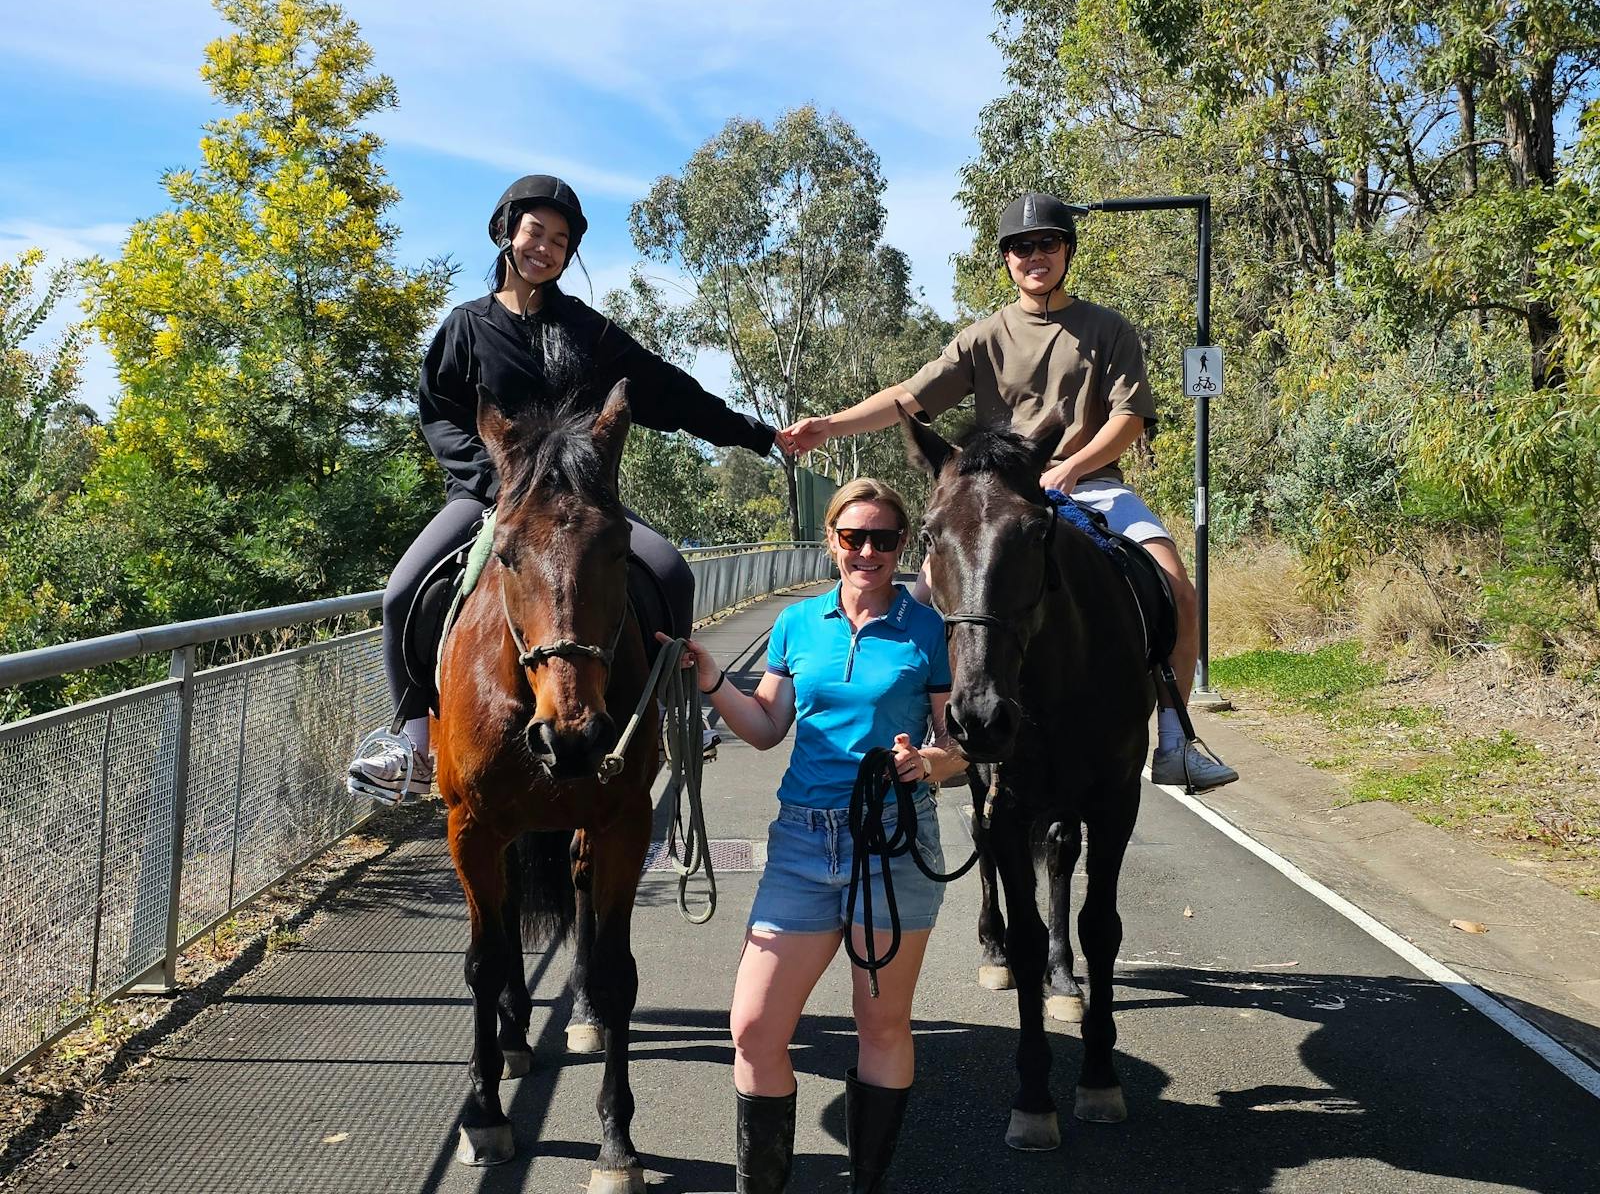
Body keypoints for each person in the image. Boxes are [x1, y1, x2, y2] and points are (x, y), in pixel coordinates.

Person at [779, 192, 1237, 791]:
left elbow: (1128, 420)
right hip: (996, 500)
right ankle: (934, 740)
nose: (1034, 255)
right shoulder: (982, 338)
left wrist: (1072, 466)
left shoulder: (1108, 329)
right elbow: (909, 399)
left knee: (1178, 586)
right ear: (1007, 259)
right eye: (1021, 247)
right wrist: (830, 426)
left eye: (1047, 243)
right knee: (919, 606)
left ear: (1067, 250)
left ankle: (1176, 739)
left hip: (1090, 485)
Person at [347, 175, 776, 803]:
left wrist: (754, 434)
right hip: (486, 496)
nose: (543, 248)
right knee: (402, 592)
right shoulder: (465, 328)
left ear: (570, 253)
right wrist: (495, 481)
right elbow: (439, 412)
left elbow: (669, 390)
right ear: (507, 231)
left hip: (579, 503)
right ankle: (410, 742)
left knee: (671, 573)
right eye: (534, 233)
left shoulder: (588, 333)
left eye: (560, 240)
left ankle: (673, 713)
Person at [668, 479, 966, 1192]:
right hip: (802, 846)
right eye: (854, 537)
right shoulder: (798, 624)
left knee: (882, 1027)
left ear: (903, 548)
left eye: (884, 539)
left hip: (894, 843)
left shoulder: (930, 630)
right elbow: (769, 728)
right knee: (754, 1031)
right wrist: (713, 681)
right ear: (831, 539)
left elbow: (959, 746)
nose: (868, 551)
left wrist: (928, 764)